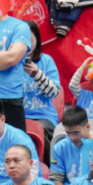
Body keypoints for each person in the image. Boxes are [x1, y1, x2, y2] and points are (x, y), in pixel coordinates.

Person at [24, 20, 61, 165]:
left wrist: (37, 74)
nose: (26, 44)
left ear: (37, 40)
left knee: (40, 130)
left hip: (43, 116)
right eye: (22, 39)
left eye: (30, 39)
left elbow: (53, 93)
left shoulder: (46, 61)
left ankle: (48, 169)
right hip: (19, 116)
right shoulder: (11, 64)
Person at [50, 107, 93, 185]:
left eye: (76, 133)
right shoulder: (59, 147)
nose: (72, 138)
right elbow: (56, 179)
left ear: (87, 127)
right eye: (68, 133)